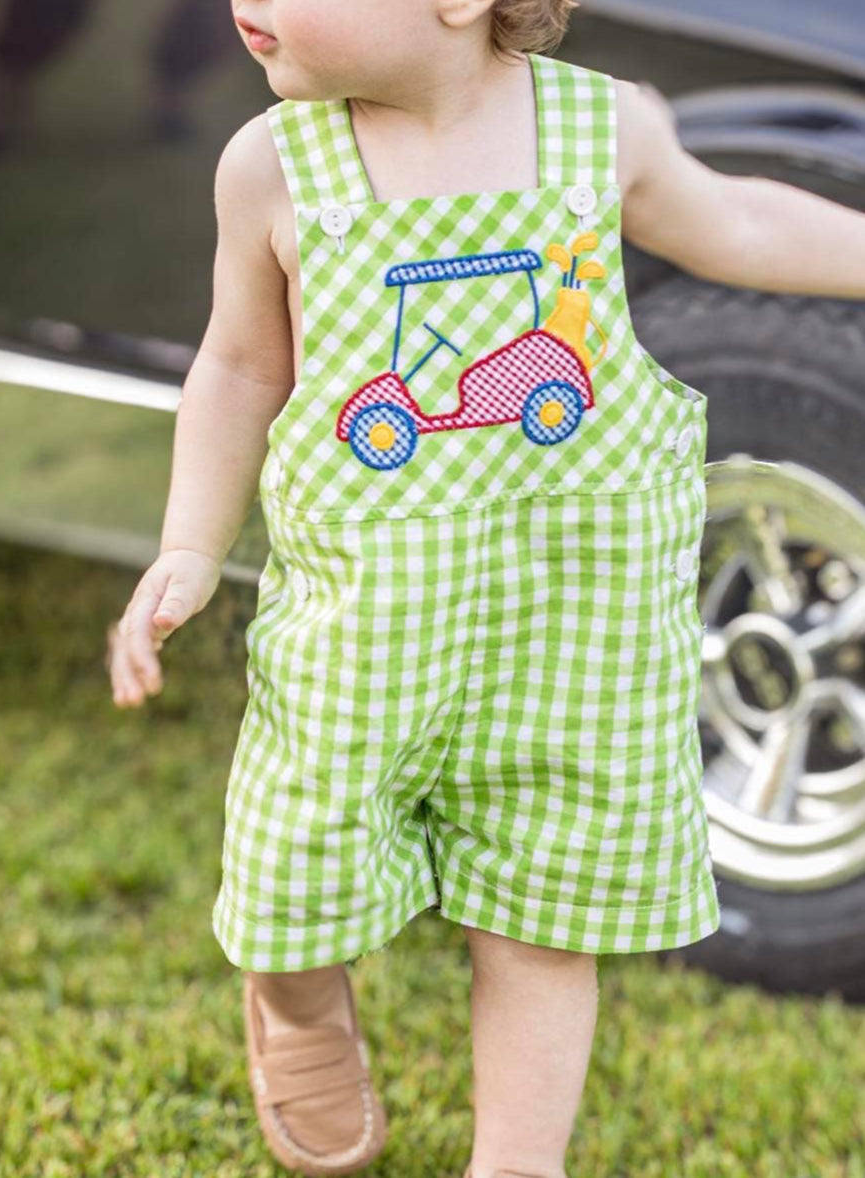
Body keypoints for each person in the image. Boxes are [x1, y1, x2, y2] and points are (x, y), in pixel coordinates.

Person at [105, 2, 865, 1175]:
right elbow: (242, 360)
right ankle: (300, 1005)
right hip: (365, 634)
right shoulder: (275, 164)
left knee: (545, 915)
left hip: (570, 637)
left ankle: (519, 1158)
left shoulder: (598, 131)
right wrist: (188, 544)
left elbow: (738, 224)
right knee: (292, 864)